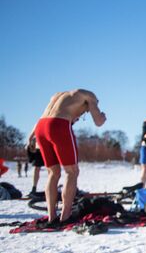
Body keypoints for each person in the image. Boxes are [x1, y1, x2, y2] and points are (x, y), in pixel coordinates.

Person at [27, 89, 107, 223]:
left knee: (53, 173)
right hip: (58, 125)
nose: (85, 113)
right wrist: (102, 116)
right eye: (86, 111)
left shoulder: (57, 95)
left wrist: (31, 136)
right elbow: (98, 122)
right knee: (72, 171)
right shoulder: (91, 96)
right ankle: (65, 216)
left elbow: (44, 117)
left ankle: (52, 217)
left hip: (40, 127)